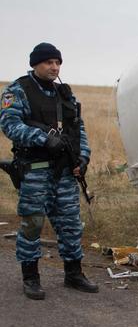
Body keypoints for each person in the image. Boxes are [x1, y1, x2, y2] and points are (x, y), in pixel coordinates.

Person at [0, 42, 98, 300]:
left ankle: (73, 274)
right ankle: (30, 278)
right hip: (34, 170)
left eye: (58, 63)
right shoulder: (17, 91)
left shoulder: (64, 94)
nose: (54, 67)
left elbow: (79, 129)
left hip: (64, 171)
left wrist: (83, 157)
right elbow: (10, 125)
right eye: (48, 62)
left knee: (70, 224)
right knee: (33, 223)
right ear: (35, 64)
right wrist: (43, 139)